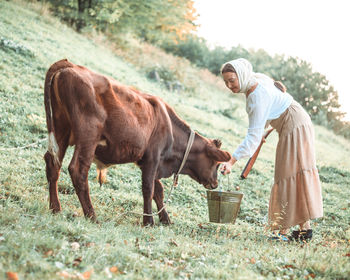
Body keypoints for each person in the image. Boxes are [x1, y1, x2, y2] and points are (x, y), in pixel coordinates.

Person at [220, 58, 323, 242]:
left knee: (287, 175)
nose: (229, 85)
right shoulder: (255, 80)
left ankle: (286, 232)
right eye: (226, 81)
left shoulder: (256, 97)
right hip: (295, 120)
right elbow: (275, 100)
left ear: (241, 76)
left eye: (232, 80)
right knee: (293, 173)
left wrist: (231, 161)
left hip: (293, 124)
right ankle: (304, 230)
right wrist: (267, 127)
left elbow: (252, 136)